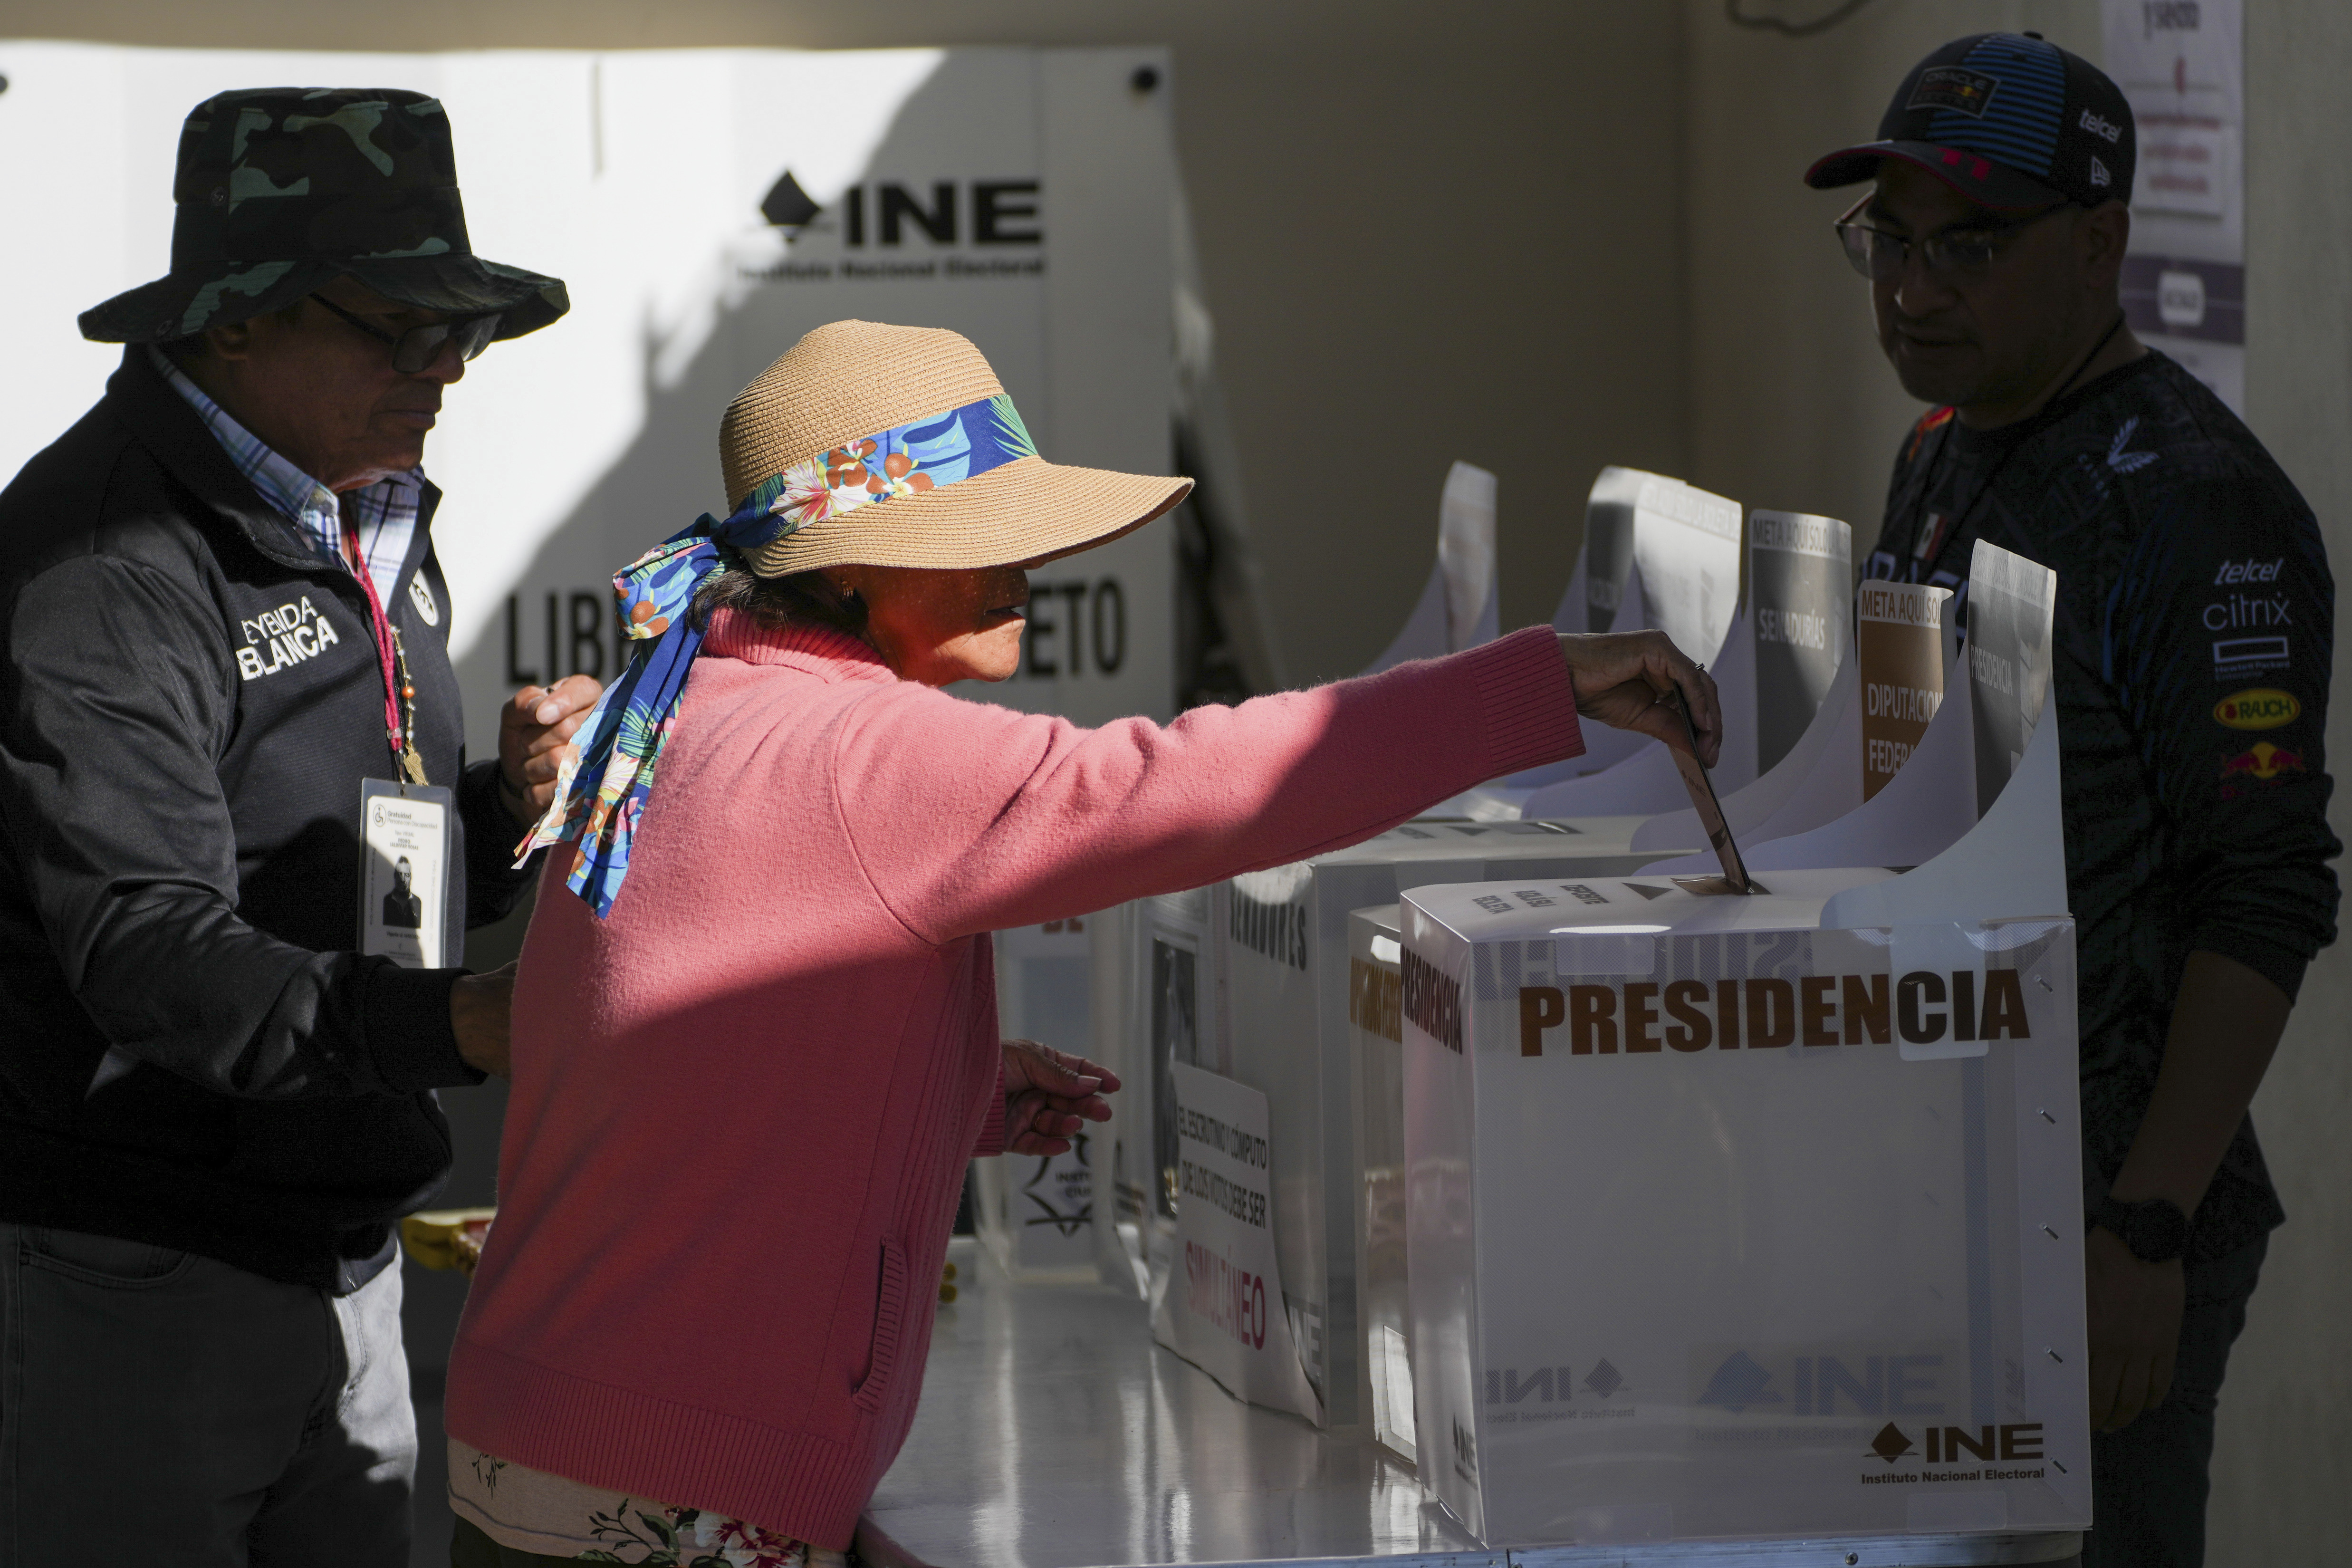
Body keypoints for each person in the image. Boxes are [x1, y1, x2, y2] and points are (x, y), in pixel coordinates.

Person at [440, 319, 1722, 1563]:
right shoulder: (863, 752)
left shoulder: (682, 710)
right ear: (850, 574)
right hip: (677, 1479)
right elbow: (1185, 785)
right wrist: (1537, 684)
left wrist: (951, 1090)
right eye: (977, 537)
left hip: (549, 1432)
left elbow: (660, 1038)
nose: (1025, 571)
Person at [0, 89, 603, 1561]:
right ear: (229, 325)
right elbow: (148, 944)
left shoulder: (357, 504)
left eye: (462, 329)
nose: (445, 368)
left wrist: (500, 808)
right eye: (398, 328)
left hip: (346, 1255)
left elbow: (353, 860)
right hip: (142, 1273)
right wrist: (461, 1024)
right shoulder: (106, 556)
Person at [1806, 33, 2339, 1567]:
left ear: (2098, 242)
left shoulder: (2191, 506)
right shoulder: (1936, 456)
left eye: (1964, 244)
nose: (1908, 289)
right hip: (1934, 1201)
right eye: (1887, 241)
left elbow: (2264, 890)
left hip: (2100, 1222)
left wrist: (2145, 1221)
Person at [386, 856, 426, 930]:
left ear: (411, 878)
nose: (403, 880)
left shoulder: (418, 903)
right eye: (400, 875)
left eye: (407, 875)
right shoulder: (387, 901)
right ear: (395, 877)